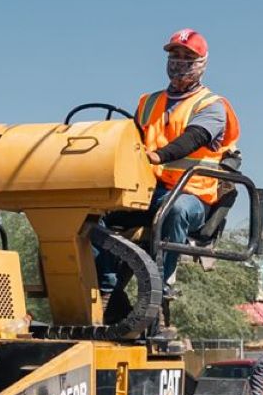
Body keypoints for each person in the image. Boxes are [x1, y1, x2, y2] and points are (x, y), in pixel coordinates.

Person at [99, 30, 242, 293]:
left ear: (202, 63)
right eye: (174, 54)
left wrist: (157, 156)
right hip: (150, 190)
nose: (179, 61)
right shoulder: (149, 102)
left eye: (187, 56)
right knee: (94, 213)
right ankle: (107, 290)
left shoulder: (211, 105)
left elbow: (194, 138)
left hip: (194, 195)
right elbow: (131, 139)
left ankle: (158, 286)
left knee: (175, 211)